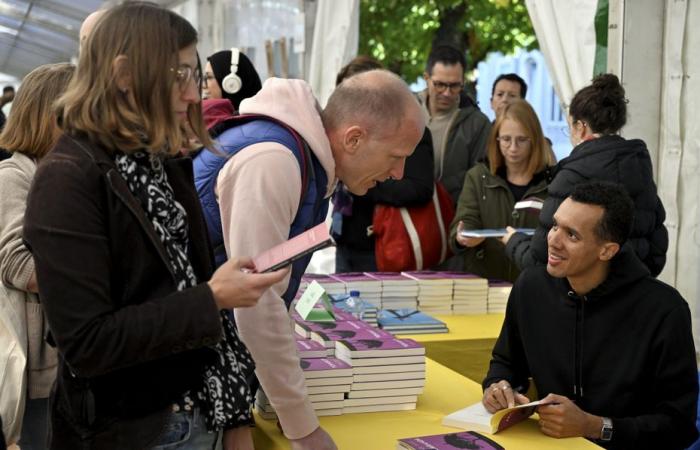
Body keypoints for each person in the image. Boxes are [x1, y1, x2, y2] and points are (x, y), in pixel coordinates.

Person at [22, 3, 287, 449]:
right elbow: (88, 343)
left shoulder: (158, 161)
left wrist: (235, 416)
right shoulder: (69, 178)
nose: (192, 94)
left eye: (194, 74)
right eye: (179, 74)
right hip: (134, 430)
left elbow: (186, 293)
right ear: (124, 74)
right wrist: (212, 297)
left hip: (196, 412)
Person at [195, 69, 424, 449]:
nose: (398, 174)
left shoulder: (305, 162)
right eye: (396, 157)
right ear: (354, 138)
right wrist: (302, 428)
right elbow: (256, 304)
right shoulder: (276, 161)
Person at [483, 181, 698, 449]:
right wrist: (498, 386)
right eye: (554, 225)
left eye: (572, 235)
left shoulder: (665, 310)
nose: (553, 240)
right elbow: (506, 361)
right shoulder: (530, 287)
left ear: (607, 250)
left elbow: (679, 426)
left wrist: (595, 426)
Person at [504, 73, 668, 276]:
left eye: (570, 126)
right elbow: (657, 250)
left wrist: (513, 241)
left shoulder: (572, 175)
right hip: (633, 295)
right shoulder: (639, 168)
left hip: (580, 297)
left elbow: (540, 259)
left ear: (580, 127)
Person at [0, 63, 74, 449]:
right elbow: (20, 266)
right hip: (40, 371)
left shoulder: (65, 172)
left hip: (73, 362)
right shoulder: (13, 177)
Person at [331, 55, 434, 272]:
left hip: (381, 241)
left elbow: (418, 188)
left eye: (357, 97)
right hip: (345, 238)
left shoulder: (407, 132)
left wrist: (365, 181)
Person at [449, 100, 552, 282]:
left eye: (521, 140)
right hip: (484, 283)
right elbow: (465, 223)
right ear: (496, 139)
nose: (513, 148)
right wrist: (462, 237)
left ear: (535, 140)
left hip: (533, 284)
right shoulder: (478, 176)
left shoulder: (552, 181)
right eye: (506, 139)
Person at [416, 44, 491, 205]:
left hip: (452, 213)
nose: (447, 93)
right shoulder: (406, 109)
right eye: (440, 84)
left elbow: (480, 179)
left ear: (463, 82)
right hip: (402, 214)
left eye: (455, 85)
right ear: (426, 78)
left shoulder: (477, 124)